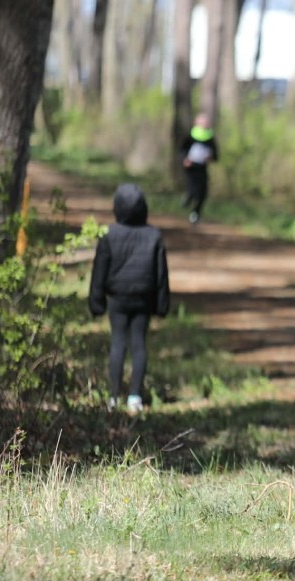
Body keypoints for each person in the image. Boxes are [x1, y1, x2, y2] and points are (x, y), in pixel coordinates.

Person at [88, 183, 171, 415]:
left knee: (118, 343)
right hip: (143, 299)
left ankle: (114, 397)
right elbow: (161, 274)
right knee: (138, 344)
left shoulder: (109, 234)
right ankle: (134, 396)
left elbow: (99, 271)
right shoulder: (154, 235)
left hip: (117, 299)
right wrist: (162, 305)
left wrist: (96, 302)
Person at [179, 112, 218, 224]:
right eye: (202, 121)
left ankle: (195, 213)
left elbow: (216, 155)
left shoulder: (210, 137)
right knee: (192, 188)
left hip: (202, 167)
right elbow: (182, 150)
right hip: (191, 167)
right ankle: (188, 197)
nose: (204, 123)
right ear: (196, 122)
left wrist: (210, 157)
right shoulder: (190, 135)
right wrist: (185, 159)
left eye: (206, 122)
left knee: (203, 192)